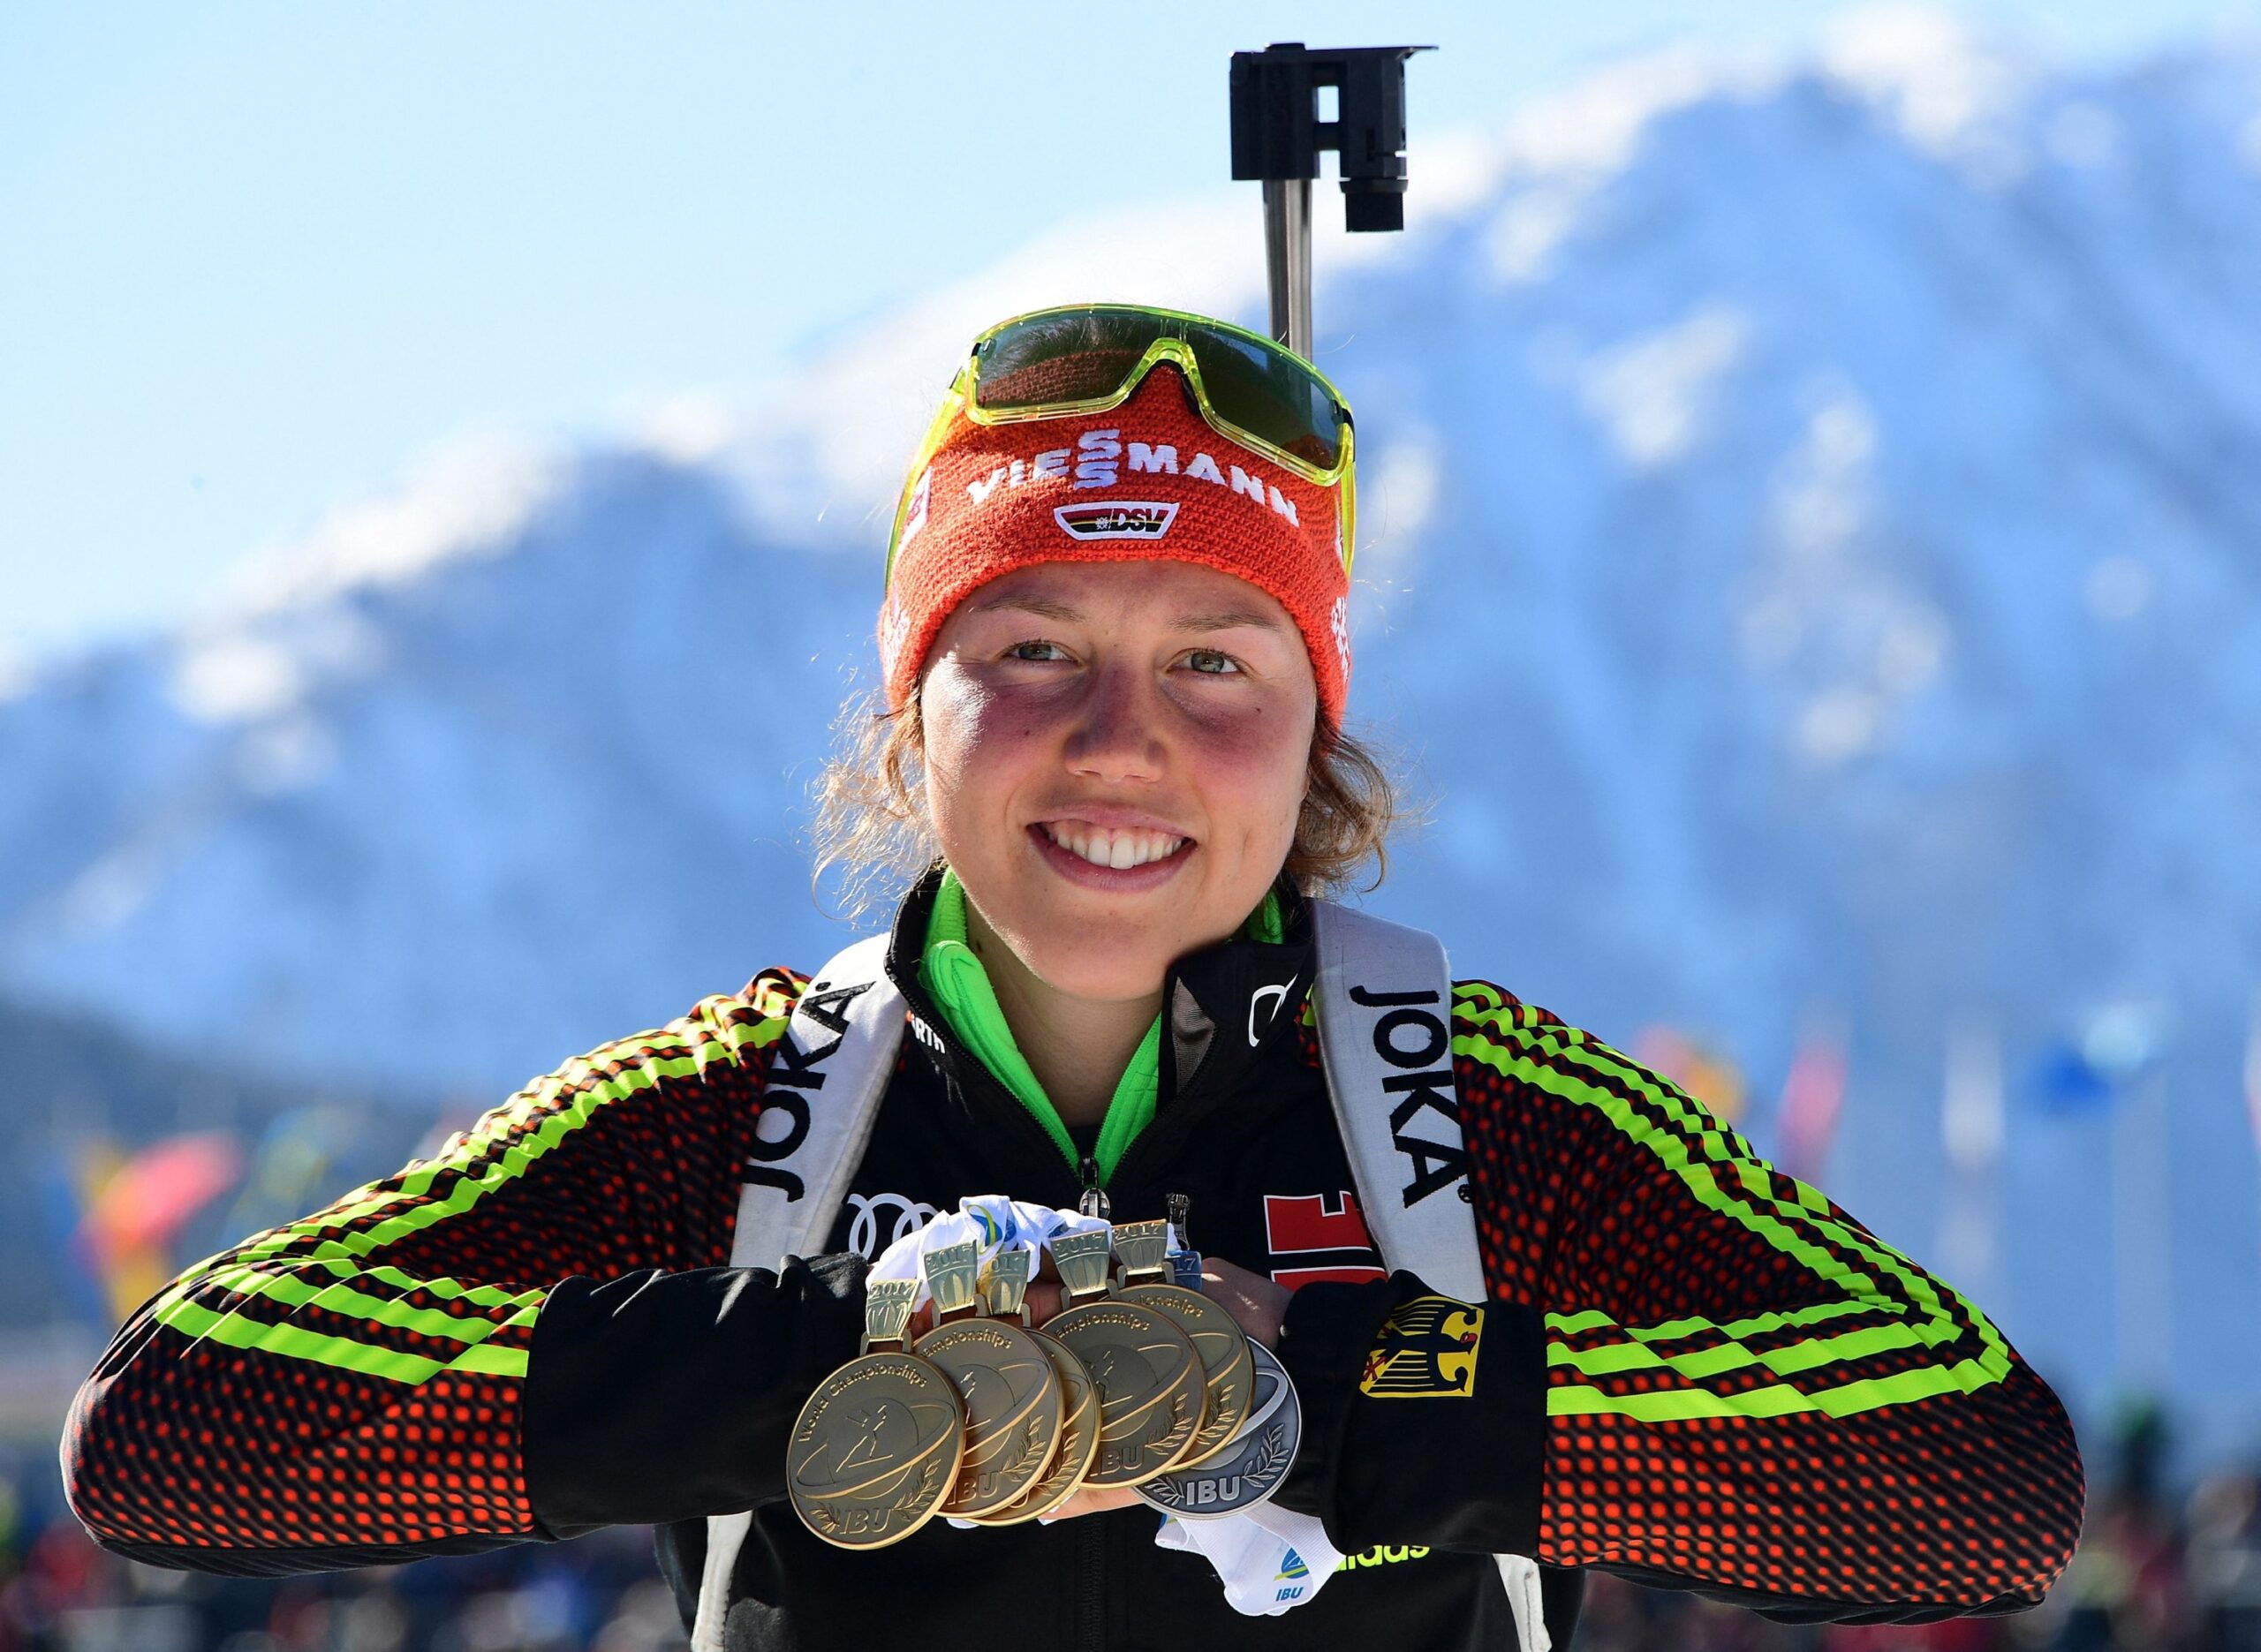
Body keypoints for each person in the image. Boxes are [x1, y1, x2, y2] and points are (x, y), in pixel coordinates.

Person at [59, 303, 2086, 1651]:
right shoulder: (734, 1111)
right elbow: (170, 1428)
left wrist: (1321, 1393)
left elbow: (1975, 1483)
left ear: (1313, 733)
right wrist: (847, 1357)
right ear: (908, 713)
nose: (1120, 741)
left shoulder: (1484, 1118)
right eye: (1031, 649)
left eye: (1213, 660)